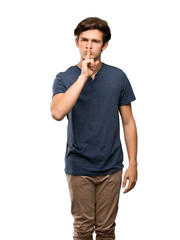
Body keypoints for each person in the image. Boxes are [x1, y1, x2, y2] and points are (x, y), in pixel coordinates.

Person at [51, 17, 138, 240]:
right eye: (84, 40)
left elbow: (128, 121)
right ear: (76, 42)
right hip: (79, 166)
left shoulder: (118, 77)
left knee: (107, 230)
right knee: (82, 230)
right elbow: (57, 113)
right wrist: (83, 77)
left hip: (111, 166)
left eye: (95, 41)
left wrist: (133, 163)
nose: (89, 46)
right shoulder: (64, 78)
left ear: (105, 45)